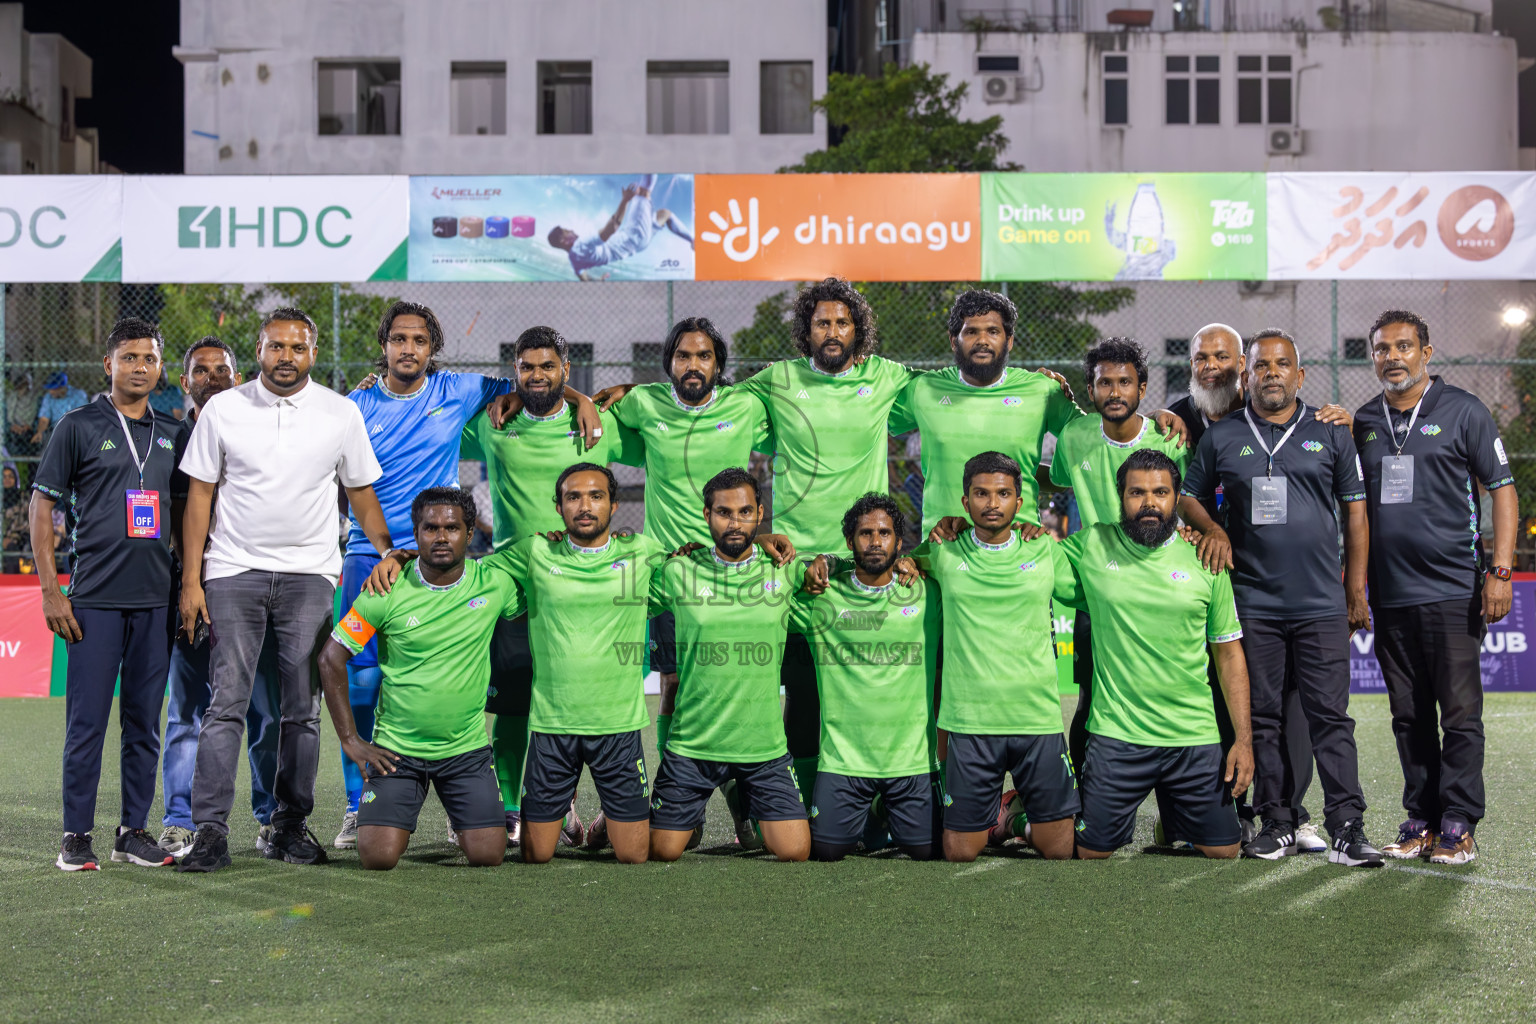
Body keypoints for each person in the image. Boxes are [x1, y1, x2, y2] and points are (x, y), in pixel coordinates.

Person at [175, 307, 393, 874]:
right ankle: (210, 832)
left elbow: (362, 494)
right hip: (233, 572)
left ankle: (290, 825)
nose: (286, 358)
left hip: (309, 576)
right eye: (276, 347)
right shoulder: (223, 409)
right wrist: (191, 580)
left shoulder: (340, 413)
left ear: (313, 354)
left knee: (302, 710)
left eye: (297, 348)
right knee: (226, 705)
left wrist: (388, 549)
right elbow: (200, 496)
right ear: (259, 350)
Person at [1179, 330, 1382, 866]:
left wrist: (1354, 590)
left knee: (1330, 718)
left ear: (1301, 374)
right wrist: (1212, 530)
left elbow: (1356, 513)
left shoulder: (1331, 431)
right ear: (1246, 375)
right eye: (1261, 365)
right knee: (1263, 717)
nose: (1271, 372)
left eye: (1282, 364)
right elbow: (1187, 496)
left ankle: (1346, 825)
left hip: (1320, 604)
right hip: (1253, 604)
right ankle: (1277, 822)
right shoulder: (1222, 436)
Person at [330, 302, 518, 850]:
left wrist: (580, 399)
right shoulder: (355, 405)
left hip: (433, 558)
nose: (408, 349)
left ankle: (467, 784)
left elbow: (529, 383)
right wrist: (382, 548)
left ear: (431, 347)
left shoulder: (458, 390)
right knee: (363, 681)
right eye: (398, 339)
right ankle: (354, 803)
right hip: (369, 557)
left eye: (418, 340)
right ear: (384, 346)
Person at [460, 326, 644, 847]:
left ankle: (573, 806)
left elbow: (658, 422)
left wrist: (589, 398)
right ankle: (512, 810)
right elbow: (434, 416)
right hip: (519, 585)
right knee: (516, 705)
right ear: (515, 372)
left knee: (581, 700)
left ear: (566, 369)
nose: (536, 376)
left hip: (589, 587)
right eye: (526, 368)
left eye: (548, 367)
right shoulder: (496, 422)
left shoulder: (597, 425)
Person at [1352, 310, 1517, 866]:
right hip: (1391, 595)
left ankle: (1459, 822)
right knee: (1408, 715)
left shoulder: (1463, 410)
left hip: (1453, 589)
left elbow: (1502, 489)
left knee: (1461, 714)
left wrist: (1499, 570)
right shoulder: (1364, 421)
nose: (1392, 357)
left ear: (1426, 351)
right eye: (1381, 349)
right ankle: (1421, 818)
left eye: (1403, 347)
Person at [603, 318, 773, 844]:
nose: (692, 365)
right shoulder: (645, 404)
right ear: (669, 364)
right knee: (674, 685)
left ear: (718, 365)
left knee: (739, 681)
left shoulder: (746, 406)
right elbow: (596, 409)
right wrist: (599, 394)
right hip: (672, 579)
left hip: (737, 573)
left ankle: (744, 796)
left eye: (703, 356)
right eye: (682, 356)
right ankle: (679, 796)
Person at [30, 316, 182, 871]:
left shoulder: (171, 432)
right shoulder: (77, 424)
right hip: (92, 599)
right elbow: (41, 507)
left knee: (145, 724)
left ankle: (132, 831)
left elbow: (190, 514)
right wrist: (52, 590)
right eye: (129, 358)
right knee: (87, 722)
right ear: (109, 365)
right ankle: (76, 836)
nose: (139, 367)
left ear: (159, 367)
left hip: (156, 601)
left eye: (149, 359)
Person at [1061, 450, 1253, 860]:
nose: (1149, 503)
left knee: (1225, 852)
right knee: (1088, 853)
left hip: (1193, 736)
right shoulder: (1092, 544)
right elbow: (1026, 560)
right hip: (1118, 735)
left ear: (1176, 497)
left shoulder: (1206, 558)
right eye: (1137, 492)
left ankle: (1175, 819)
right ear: (1120, 496)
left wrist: (1243, 739)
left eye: (1161, 492)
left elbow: (1229, 655)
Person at [318, 488, 518, 870]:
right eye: (430, 528)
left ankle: (463, 812)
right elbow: (330, 659)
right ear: (416, 532)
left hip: (466, 751)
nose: (441, 537)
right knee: (378, 858)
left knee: (488, 855)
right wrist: (350, 740)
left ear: (470, 532)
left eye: (451, 528)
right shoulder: (386, 588)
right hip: (397, 753)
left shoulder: (494, 584)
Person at [908, 453, 1080, 861]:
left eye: (1003, 494)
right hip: (969, 721)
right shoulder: (942, 552)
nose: (992, 503)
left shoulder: (1044, 551)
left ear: (1018, 504)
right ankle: (1003, 819)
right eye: (981, 494)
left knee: (1060, 850)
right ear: (964, 502)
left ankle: (1012, 819)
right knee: (960, 853)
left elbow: (1094, 591)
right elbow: (896, 567)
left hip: (1035, 719)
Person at [156, 336, 284, 858]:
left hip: (255, 589)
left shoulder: (263, 429)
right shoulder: (164, 439)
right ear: (184, 382)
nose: (213, 376)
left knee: (266, 711)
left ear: (239, 375)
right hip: (188, 592)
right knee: (188, 710)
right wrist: (188, 581)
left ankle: (271, 818)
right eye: (201, 370)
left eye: (222, 369)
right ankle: (180, 819)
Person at [646, 467, 810, 862]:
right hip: (693, 746)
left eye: (744, 512)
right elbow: (618, 576)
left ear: (760, 514)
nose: (734, 522)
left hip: (763, 749)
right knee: (662, 850)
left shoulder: (784, 570)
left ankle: (741, 791)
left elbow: (839, 573)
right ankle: (692, 809)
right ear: (706, 516)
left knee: (795, 850)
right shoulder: (678, 571)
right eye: (723, 512)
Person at [1046, 337, 1189, 782]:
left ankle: (1179, 811)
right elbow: (1056, 481)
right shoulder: (1074, 437)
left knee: (1174, 698)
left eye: (1124, 382)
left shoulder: (1171, 439)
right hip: (1099, 594)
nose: (1114, 391)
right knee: (1091, 700)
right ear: (1090, 390)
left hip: (1162, 591)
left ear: (1142, 388)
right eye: (1104, 382)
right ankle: (1085, 801)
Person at [788, 493, 941, 861]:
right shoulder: (821, 598)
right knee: (825, 850)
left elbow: (960, 551)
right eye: (865, 533)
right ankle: (874, 809)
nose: (875, 541)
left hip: (912, 762)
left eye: (885, 533)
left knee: (930, 850)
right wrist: (826, 561)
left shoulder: (926, 593)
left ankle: (882, 811)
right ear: (849, 541)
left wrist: (919, 559)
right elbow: (765, 568)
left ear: (899, 542)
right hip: (845, 763)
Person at [886, 289, 1086, 539]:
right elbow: (872, 419)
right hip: (942, 547)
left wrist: (1148, 422)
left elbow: (1093, 440)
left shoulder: (1042, 391)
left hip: (1018, 548)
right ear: (953, 340)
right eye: (971, 332)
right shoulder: (923, 389)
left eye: (993, 331)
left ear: (1009, 340)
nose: (982, 340)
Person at [547, 174, 693, 281]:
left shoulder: (574, 259)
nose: (572, 230)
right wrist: (625, 200)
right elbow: (611, 229)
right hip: (634, 235)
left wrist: (597, 281)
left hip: (638, 245)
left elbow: (583, 278)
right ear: (563, 241)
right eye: (568, 231)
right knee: (643, 192)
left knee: (665, 214)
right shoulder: (581, 244)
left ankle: (693, 241)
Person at [33, 371, 89, 447]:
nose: (51, 392)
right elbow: (44, 419)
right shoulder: (48, 397)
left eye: (54, 388)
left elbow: (83, 418)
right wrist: (40, 432)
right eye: (50, 389)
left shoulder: (78, 395)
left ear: (63, 387)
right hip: (55, 429)